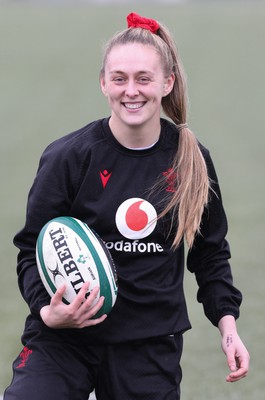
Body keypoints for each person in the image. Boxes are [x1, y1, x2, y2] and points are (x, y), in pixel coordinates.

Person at [4, 12, 249, 400]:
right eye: (119, 78)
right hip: (65, 339)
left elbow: (210, 254)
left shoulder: (191, 161)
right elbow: (30, 249)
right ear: (104, 83)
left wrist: (228, 326)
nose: (130, 90)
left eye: (143, 78)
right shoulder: (70, 156)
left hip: (148, 344)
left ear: (167, 83)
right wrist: (48, 311)